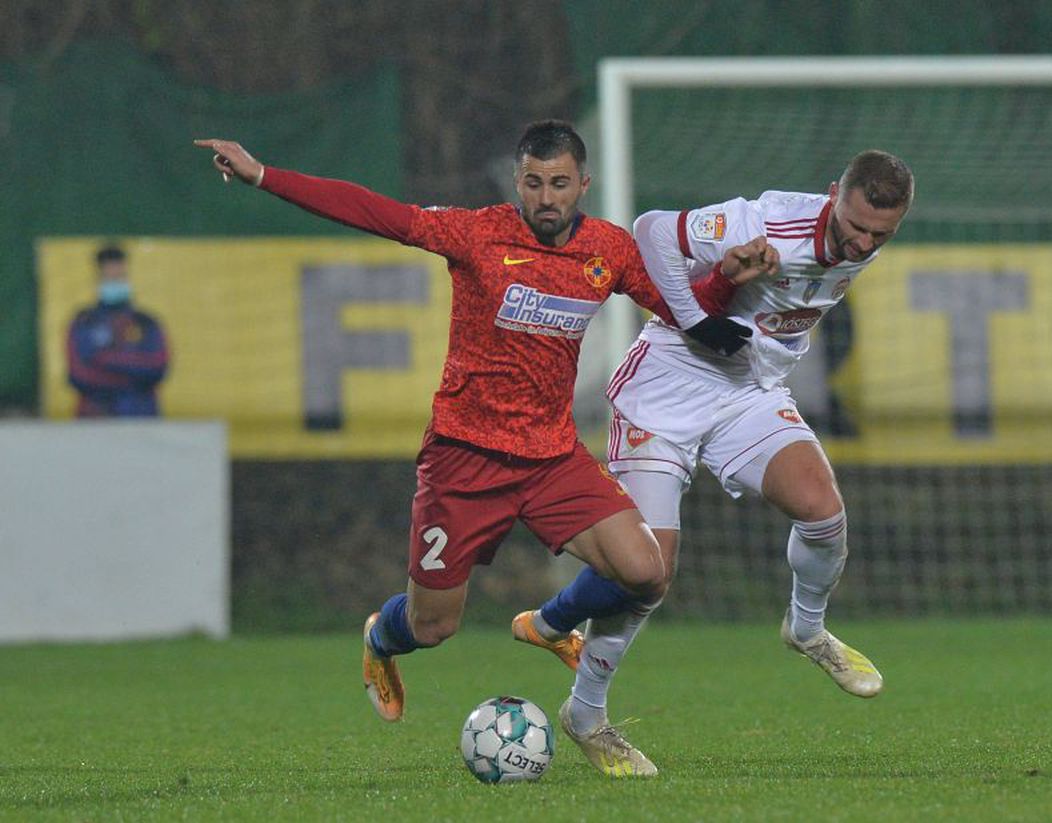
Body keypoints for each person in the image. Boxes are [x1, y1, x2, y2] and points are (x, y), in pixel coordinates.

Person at [194, 121, 772, 778]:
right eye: (534, 183)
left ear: (583, 184)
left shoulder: (608, 249)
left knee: (645, 570)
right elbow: (375, 212)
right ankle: (380, 636)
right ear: (518, 183)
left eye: (559, 183)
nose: (547, 197)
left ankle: (552, 623)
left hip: (552, 456)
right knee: (433, 626)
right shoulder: (477, 234)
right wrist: (264, 175)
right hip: (465, 460)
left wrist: (724, 279)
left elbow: (682, 311)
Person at [515, 150, 914, 754]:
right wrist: (697, 317)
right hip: (664, 392)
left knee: (823, 511)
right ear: (833, 193)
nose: (861, 244)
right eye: (853, 226)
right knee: (647, 573)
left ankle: (807, 631)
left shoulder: (865, 239)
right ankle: (585, 715)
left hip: (746, 392)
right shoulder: (768, 223)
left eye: (879, 234)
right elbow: (650, 229)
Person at [67, 244, 170, 417]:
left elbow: (158, 367)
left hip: (141, 418)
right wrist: (134, 377)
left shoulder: (146, 322)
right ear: (98, 279)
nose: (115, 282)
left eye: (120, 276)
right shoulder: (84, 322)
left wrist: (103, 358)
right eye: (110, 277)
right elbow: (78, 374)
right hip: (97, 417)